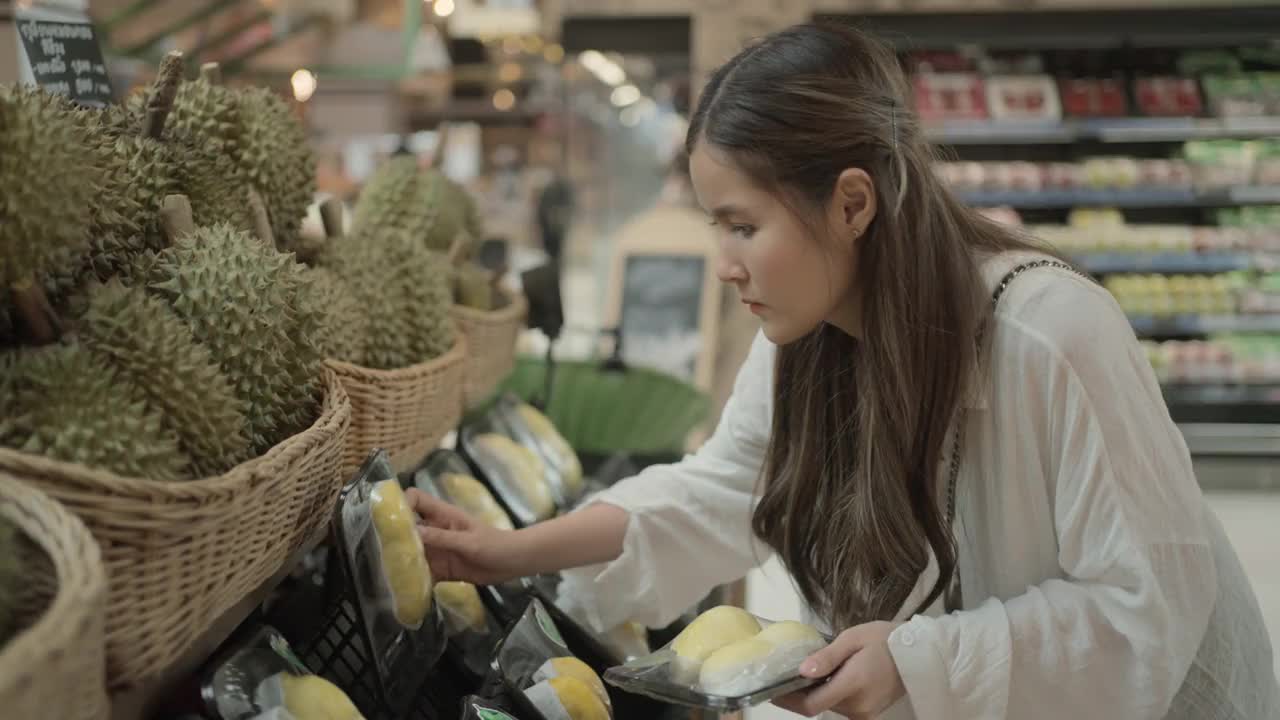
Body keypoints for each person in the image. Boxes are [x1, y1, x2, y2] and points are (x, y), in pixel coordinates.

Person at [409, 23, 1278, 719]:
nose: (722, 263)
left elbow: (1142, 614)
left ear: (852, 203)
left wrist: (915, 660)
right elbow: (718, 491)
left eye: (742, 226)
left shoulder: (1050, 336)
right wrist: (503, 553)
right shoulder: (806, 341)